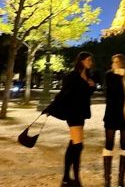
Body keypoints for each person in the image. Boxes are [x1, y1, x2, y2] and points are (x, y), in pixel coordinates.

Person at [42, 51, 96, 187]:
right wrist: (51, 107)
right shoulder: (73, 76)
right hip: (73, 113)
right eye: (88, 60)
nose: (90, 62)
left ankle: (67, 178)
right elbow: (64, 93)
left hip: (81, 113)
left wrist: (92, 87)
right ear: (81, 61)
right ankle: (75, 179)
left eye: (91, 60)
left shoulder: (87, 76)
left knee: (74, 144)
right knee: (78, 145)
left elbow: (84, 96)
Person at [103, 54, 125, 187]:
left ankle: (121, 180)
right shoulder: (110, 75)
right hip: (112, 114)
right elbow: (111, 92)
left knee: (124, 144)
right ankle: (107, 180)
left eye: (118, 62)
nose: (115, 64)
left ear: (123, 63)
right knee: (109, 144)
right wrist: (118, 74)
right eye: (114, 62)